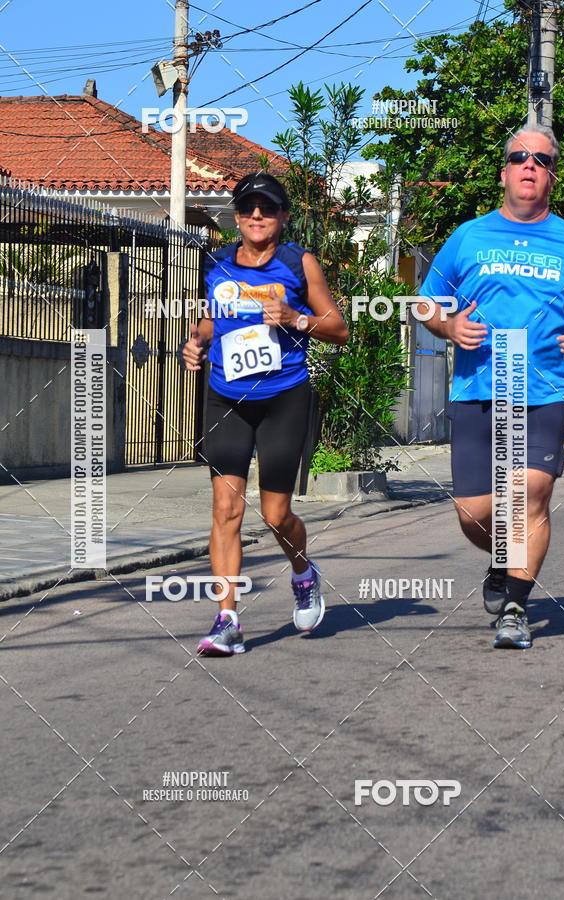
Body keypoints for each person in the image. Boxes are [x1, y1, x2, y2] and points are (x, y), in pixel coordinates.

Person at [418, 124, 564, 649]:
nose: (529, 166)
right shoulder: (468, 237)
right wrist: (448, 327)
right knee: (474, 513)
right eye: (519, 157)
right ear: (504, 171)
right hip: (477, 386)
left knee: (531, 494)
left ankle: (516, 607)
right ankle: (504, 558)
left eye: (540, 160)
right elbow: (427, 303)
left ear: (551, 176)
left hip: (540, 390)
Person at [182, 172, 348, 656]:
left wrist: (297, 319)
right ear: (237, 217)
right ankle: (227, 621)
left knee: (276, 516)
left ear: (283, 217)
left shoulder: (299, 263)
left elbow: (337, 328)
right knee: (226, 509)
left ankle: (303, 572)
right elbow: (211, 317)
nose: (258, 215)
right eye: (249, 208)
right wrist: (197, 341)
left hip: (283, 398)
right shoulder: (214, 262)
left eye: (268, 208)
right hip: (226, 397)